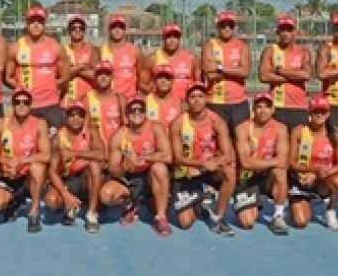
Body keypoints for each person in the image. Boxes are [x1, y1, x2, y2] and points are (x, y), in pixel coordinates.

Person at [100, 95, 173, 236]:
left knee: (160, 168)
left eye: (140, 110)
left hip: (151, 176)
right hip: (131, 178)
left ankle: (161, 218)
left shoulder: (155, 127)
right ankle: (130, 203)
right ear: (126, 115)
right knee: (106, 195)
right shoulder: (119, 136)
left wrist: (142, 158)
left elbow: (168, 156)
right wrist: (124, 167)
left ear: (146, 113)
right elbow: (113, 169)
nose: (137, 113)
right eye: (132, 110)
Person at [170, 82, 237, 235]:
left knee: (230, 172)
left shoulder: (217, 121)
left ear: (206, 98)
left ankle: (218, 218)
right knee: (185, 223)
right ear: (186, 100)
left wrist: (210, 164)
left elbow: (227, 153)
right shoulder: (178, 123)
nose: (197, 100)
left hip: (209, 169)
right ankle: (199, 199)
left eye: (201, 96)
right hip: (186, 171)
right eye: (193, 97)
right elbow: (178, 157)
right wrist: (200, 164)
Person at [0, 87, 51, 233]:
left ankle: (34, 212)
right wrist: (7, 162)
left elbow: (46, 155)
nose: (21, 105)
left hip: (29, 178)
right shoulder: (0, 124)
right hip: (9, 176)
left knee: (37, 166)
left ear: (31, 104)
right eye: (17, 102)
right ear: (12, 104)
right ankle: (14, 200)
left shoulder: (39, 123)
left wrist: (22, 160)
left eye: (26, 102)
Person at [5, 6, 70, 135]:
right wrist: (21, 89)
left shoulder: (56, 47)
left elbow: (65, 77)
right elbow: (7, 77)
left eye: (39, 21)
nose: (36, 25)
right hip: (26, 106)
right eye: (32, 21)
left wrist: (49, 88)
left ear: (44, 24)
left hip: (50, 104)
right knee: (27, 143)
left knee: (55, 144)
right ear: (27, 23)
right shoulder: (15, 48)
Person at [233, 91, 290, 234]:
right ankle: (251, 201)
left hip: (268, 177)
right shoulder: (243, 128)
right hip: (246, 178)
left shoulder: (280, 128)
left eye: (267, 107)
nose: (263, 110)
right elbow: (245, 163)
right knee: (247, 223)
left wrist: (258, 163)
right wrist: (272, 161)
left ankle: (278, 215)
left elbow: (283, 161)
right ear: (253, 109)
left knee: (280, 173)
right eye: (259, 106)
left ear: (273, 109)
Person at [44, 101, 105, 233]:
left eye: (80, 115)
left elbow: (102, 155)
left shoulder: (91, 131)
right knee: (51, 201)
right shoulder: (57, 138)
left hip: (84, 177)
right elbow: (52, 172)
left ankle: (91, 214)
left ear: (85, 117)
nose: (76, 119)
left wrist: (75, 153)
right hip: (66, 178)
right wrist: (66, 195)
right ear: (65, 116)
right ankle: (70, 204)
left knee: (95, 165)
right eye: (72, 115)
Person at [288, 94, 338, 230]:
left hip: (323, 180)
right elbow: (291, 163)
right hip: (301, 180)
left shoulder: (336, 134)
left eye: (323, 111)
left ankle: (330, 211)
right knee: (300, 222)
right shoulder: (299, 131)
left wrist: (317, 174)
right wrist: (313, 170)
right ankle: (300, 201)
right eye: (315, 111)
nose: (319, 114)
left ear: (328, 114)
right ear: (309, 112)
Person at [201, 10, 252, 134]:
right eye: (223, 25)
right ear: (218, 27)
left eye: (230, 25)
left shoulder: (242, 46)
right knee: (218, 142)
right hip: (215, 102)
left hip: (239, 102)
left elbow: (245, 72)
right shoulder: (209, 46)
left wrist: (219, 67)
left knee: (240, 141)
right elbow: (210, 74)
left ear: (234, 27)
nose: (227, 28)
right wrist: (235, 70)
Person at [258, 16, 311, 131]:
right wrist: (295, 76)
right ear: (278, 32)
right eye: (283, 30)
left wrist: (279, 71)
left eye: (289, 30)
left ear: (295, 32)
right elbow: (263, 76)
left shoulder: (303, 52)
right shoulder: (270, 50)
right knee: (278, 146)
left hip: (299, 106)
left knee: (299, 144)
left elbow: (306, 75)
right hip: (277, 106)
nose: (286, 33)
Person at [140, 23, 199, 99]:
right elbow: (142, 85)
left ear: (179, 38)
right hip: (162, 106)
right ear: (163, 38)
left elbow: (198, 85)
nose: (172, 40)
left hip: (185, 105)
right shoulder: (152, 59)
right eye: (168, 36)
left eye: (175, 36)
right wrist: (158, 96)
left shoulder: (191, 58)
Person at [83, 61, 126, 150]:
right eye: (99, 74)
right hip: (96, 152)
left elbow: (127, 130)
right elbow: (83, 130)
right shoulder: (86, 99)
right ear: (94, 77)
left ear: (112, 77)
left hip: (117, 151)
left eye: (107, 74)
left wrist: (126, 154)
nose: (103, 77)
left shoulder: (121, 99)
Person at [100, 14, 143, 100]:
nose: (117, 30)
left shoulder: (135, 51)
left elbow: (140, 76)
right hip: (109, 100)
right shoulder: (101, 51)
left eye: (120, 27)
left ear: (125, 30)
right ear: (109, 29)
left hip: (129, 99)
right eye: (114, 27)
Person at [62, 15, 99, 106]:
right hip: (67, 101)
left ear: (85, 30)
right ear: (69, 31)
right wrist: (83, 66)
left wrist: (75, 69)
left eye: (81, 28)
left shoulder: (93, 50)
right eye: (74, 27)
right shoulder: (62, 50)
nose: (77, 30)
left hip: (88, 101)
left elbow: (97, 76)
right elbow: (61, 75)